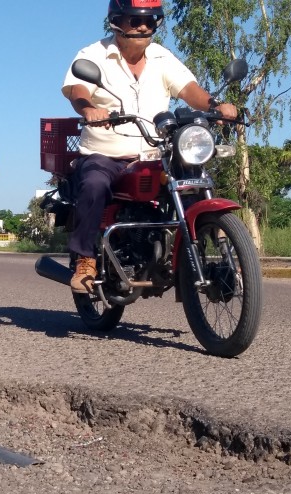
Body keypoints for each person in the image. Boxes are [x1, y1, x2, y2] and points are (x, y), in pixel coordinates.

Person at [62, 0, 238, 293]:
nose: (144, 27)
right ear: (117, 21)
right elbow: (78, 90)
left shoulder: (161, 57)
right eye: (135, 20)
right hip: (107, 154)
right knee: (93, 183)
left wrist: (215, 106)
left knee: (194, 180)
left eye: (151, 20)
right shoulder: (93, 54)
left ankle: (206, 252)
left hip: (157, 154)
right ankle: (85, 259)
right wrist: (89, 109)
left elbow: (188, 89)